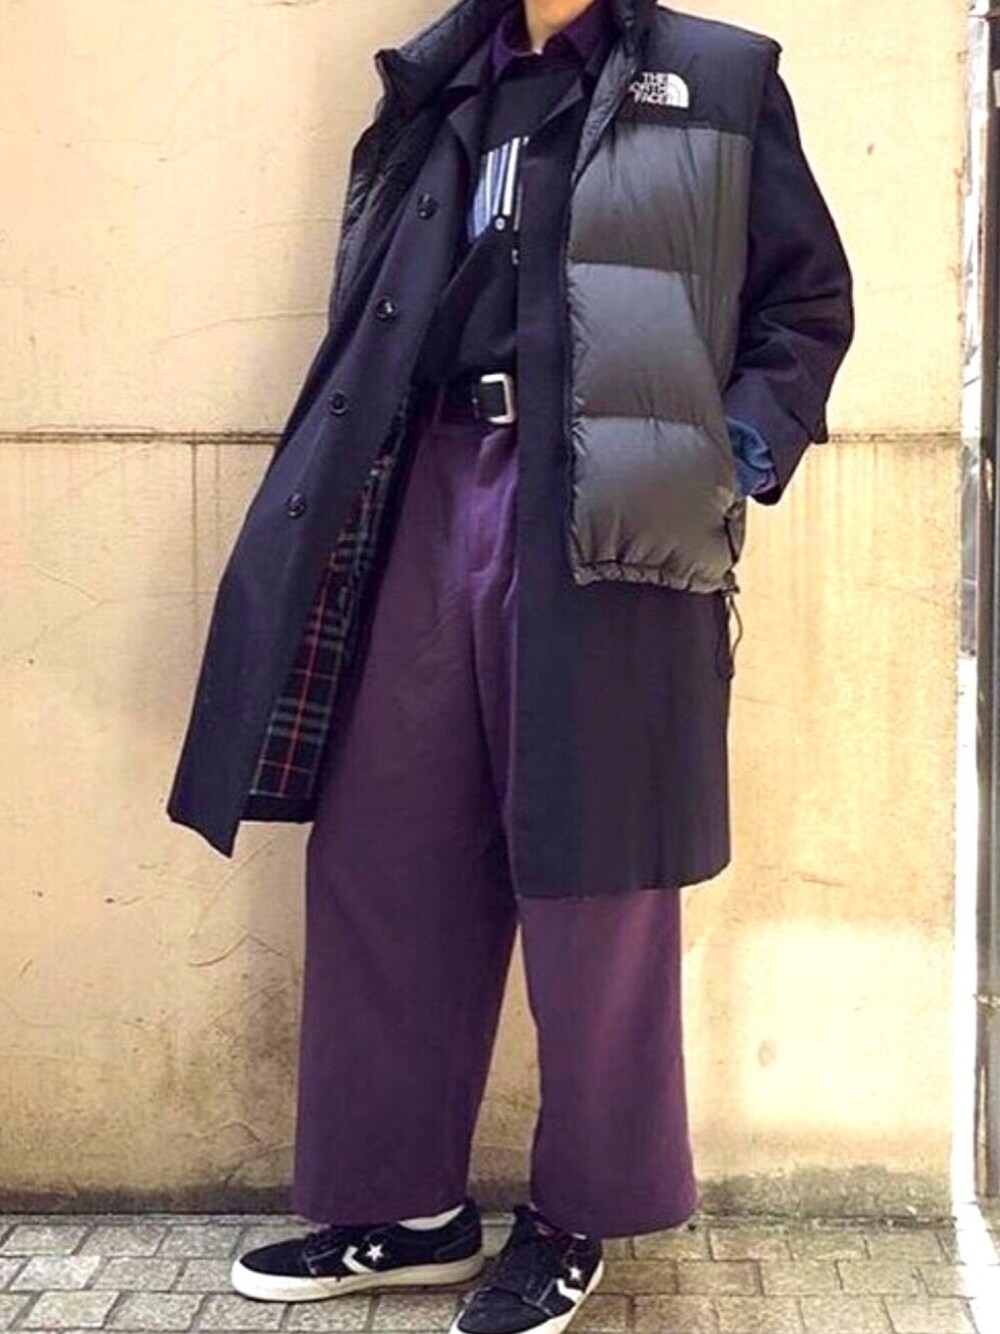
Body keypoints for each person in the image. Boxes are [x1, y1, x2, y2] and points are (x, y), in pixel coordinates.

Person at [167, 0, 854, 1330]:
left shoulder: (715, 78)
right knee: (384, 849)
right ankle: (402, 1204)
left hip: (606, 514)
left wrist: (721, 460)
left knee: (595, 875)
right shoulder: (441, 84)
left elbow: (807, 303)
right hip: (423, 488)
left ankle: (576, 1214)